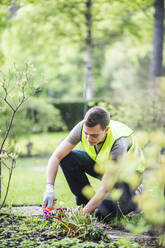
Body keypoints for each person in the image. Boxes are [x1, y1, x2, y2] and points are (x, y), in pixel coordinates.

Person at [42, 106, 143, 221]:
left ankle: (136, 197)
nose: (88, 139)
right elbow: (56, 156)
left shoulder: (118, 143)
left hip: (128, 177)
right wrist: (49, 189)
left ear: (106, 130)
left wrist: (79, 216)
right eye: (86, 133)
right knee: (67, 158)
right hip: (105, 166)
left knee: (101, 215)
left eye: (94, 135)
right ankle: (85, 203)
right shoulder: (81, 127)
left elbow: (105, 189)